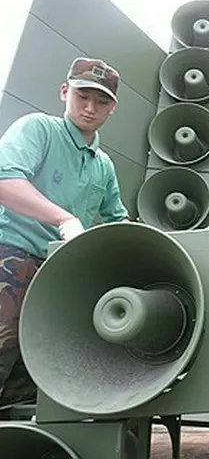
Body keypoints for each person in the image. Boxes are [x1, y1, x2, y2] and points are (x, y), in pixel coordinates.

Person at [0, 57, 129, 410]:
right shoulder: (38, 130)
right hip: (10, 258)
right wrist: (63, 219)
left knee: (36, 368)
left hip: (58, 274)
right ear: (63, 91)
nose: (90, 108)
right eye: (82, 96)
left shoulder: (103, 165)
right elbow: (5, 180)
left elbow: (118, 221)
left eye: (101, 101)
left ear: (113, 108)